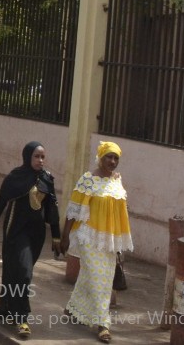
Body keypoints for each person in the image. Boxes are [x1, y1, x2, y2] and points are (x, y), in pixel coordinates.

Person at [0, 142, 61, 339]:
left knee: (17, 273)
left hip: (36, 235)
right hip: (16, 232)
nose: (40, 160)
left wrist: (56, 236)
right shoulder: (15, 178)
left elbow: (52, 209)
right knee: (23, 273)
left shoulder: (47, 179)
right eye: (36, 156)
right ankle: (21, 317)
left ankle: (6, 307)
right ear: (27, 157)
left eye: (42, 157)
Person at [60, 142, 132, 343]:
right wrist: (65, 236)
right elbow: (73, 209)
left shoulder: (117, 181)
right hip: (89, 237)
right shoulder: (88, 180)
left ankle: (73, 308)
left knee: (97, 276)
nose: (112, 161)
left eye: (116, 158)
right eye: (109, 157)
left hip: (108, 240)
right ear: (100, 157)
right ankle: (103, 323)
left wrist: (119, 241)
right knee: (99, 278)